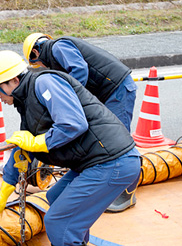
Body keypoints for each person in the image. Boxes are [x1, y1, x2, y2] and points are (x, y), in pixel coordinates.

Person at [0, 50, 141, 245]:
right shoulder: (26, 101)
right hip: (97, 162)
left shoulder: (44, 82)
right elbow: (22, 149)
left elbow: (73, 123)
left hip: (113, 161)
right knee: (54, 197)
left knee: (59, 222)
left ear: (14, 81)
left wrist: (38, 143)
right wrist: (4, 191)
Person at [23, 33, 138, 213]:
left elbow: (79, 69)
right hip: (110, 92)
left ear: (36, 53)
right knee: (107, 140)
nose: (41, 68)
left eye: (37, 64)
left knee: (120, 142)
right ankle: (109, 187)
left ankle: (126, 194)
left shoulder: (57, 47)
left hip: (118, 89)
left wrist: (71, 100)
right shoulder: (56, 51)